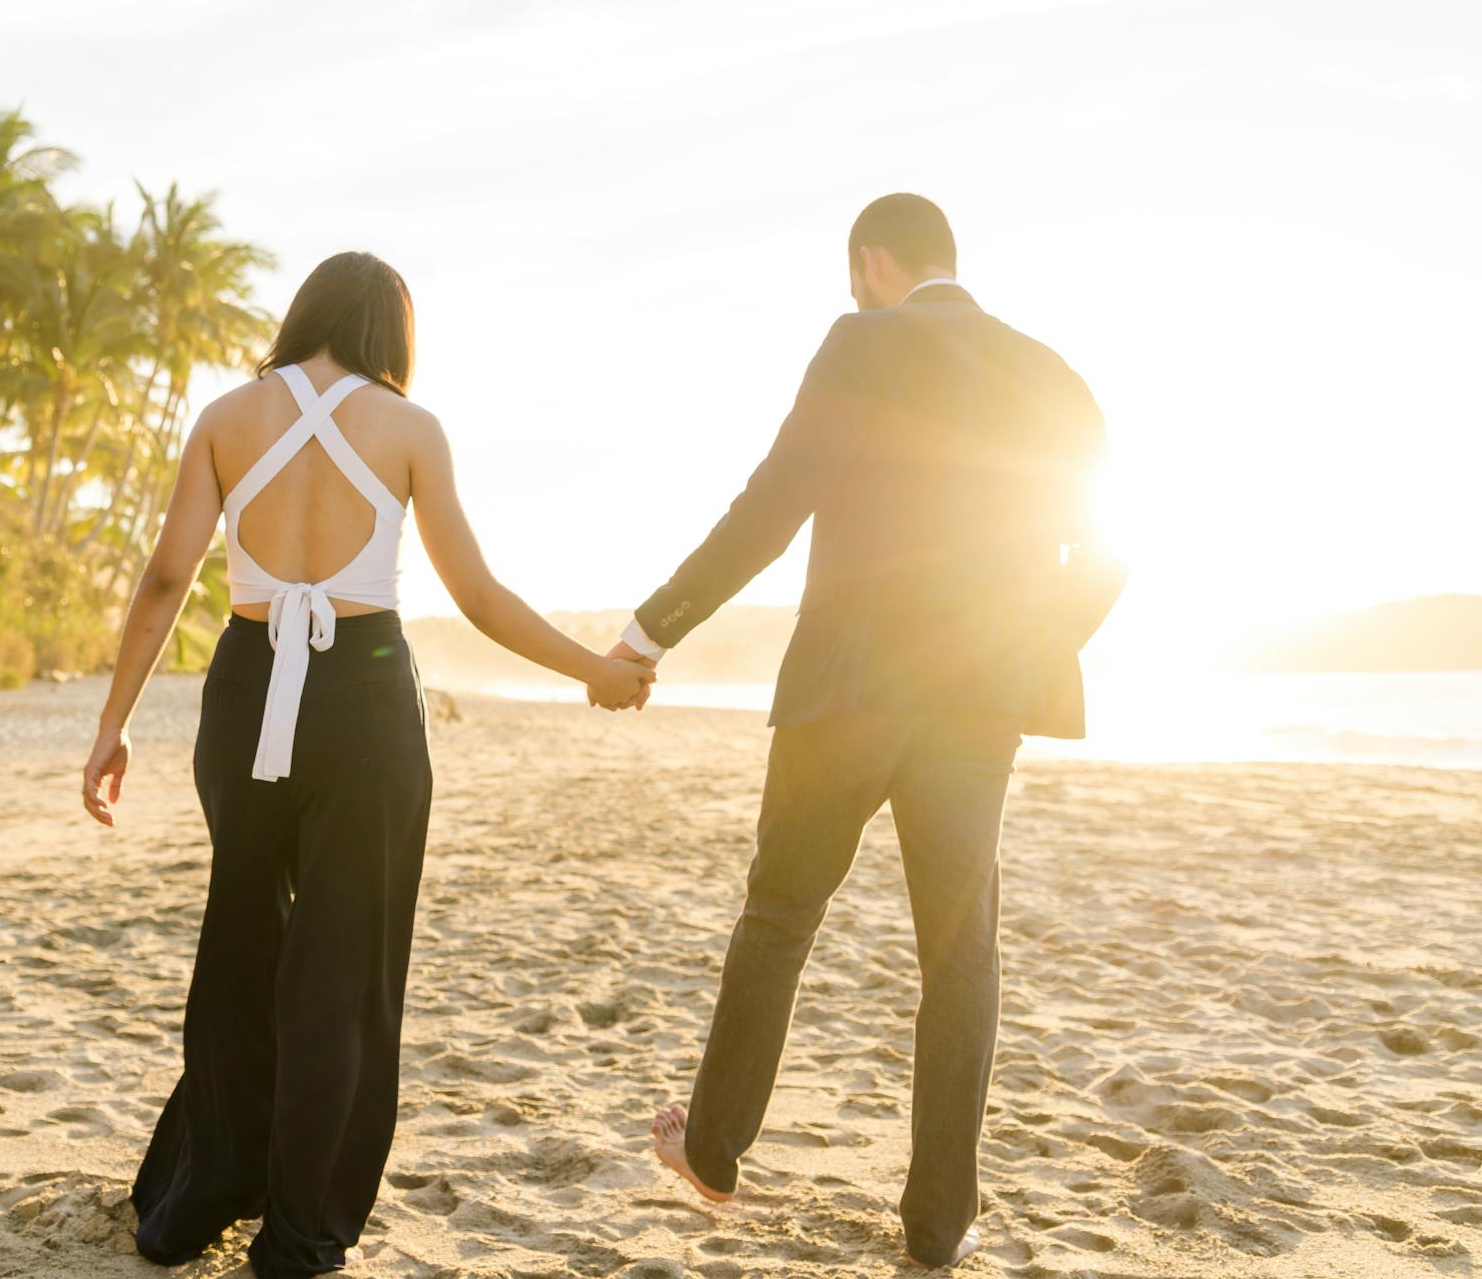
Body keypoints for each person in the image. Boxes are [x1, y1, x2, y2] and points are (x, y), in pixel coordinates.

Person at [79, 251, 654, 1277]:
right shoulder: (408, 428)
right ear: (393, 333)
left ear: (304, 316)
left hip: (246, 686)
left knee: (241, 938)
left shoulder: (224, 415)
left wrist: (112, 723)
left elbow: (168, 574)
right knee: (344, 971)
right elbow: (476, 594)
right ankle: (298, 1234)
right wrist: (591, 671)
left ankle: (200, 1194)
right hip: (363, 699)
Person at [616, 194, 1125, 1268]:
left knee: (780, 915)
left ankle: (711, 1152)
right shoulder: (1051, 374)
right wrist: (1028, 649)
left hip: (847, 688)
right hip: (979, 702)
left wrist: (651, 631)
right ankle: (939, 1223)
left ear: (873, 262)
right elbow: (1110, 550)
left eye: (854, 276)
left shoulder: (860, 339)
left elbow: (772, 505)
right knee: (961, 954)